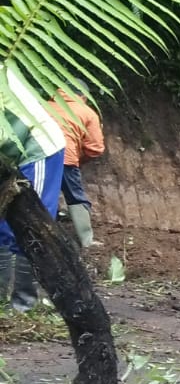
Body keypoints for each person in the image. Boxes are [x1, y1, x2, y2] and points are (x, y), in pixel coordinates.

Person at [0, 67, 67, 312]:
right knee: (2, 227)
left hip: (37, 149)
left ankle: (23, 304)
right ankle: (2, 298)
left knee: (30, 225)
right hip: (11, 153)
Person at [45, 83, 105, 248]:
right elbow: (95, 148)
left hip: (38, 155)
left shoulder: (44, 105)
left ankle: (41, 235)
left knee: (42, 194)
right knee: (75, 196)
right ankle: (87, 240)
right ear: (83, 96)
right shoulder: (87, 112)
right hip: (66, 155)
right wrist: (79, 161)